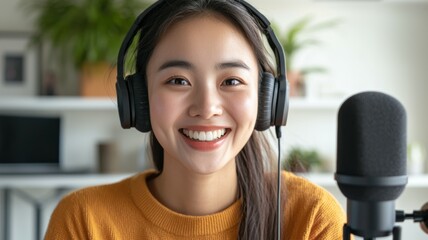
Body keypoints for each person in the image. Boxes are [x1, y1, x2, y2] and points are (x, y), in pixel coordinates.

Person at [45, 0, 346, 239]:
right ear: (139, 97)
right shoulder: (84, 221)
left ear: (267, 99)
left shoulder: (311, 219)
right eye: (178, 80)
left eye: (231, 81)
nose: (206, 107)